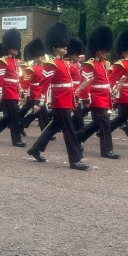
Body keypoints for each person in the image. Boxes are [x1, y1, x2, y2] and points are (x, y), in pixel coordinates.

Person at [26, 22, 88, 170]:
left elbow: (72, 82)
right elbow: (44, 83)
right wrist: (38, 102)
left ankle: (35, 149)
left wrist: (77, 95)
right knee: (69, 129)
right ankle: (75, 159)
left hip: (67, 99)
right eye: (62, 46)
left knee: (54, 126)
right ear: (54, 47)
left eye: (65, 46)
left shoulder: (66, 64)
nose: (65, 48)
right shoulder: (51, 64)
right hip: (59, 100)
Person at [75, 26, 120, 159]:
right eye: (102, 50)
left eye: (106, 50)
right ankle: (107, 150)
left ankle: (76, 137)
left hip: (104, 97)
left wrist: (111, 93)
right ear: (96, 50)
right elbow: (85, 83)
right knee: (105, 122)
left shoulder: (103, 64)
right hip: (96, 98)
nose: (105, 52)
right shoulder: (90, 64)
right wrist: (86, 99)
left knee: (97, 123)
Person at [0, 29, 26, 147]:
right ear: (8, 47)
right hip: (7, 92)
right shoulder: (3, 61)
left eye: (16, 47)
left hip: (14, 91)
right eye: (13, 47)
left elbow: (17, 77)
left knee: (12, 115)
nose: (16, 49)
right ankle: (16, 140)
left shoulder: (15, 61)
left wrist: (20, 89)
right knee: (14, 116)